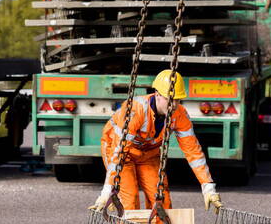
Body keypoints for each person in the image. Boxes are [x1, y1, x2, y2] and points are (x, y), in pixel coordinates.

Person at [91, 69, 223, 214]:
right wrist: (107, 191)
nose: (174, 105)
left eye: (177, 100)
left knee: (161, 201)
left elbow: (193, 152)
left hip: (148, 154)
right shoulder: (136, 110)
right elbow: (119, 152)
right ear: (157, 94)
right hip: (121, 152)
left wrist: (208, 188)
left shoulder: (180, 115)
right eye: (169, 99)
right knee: (130, 202)